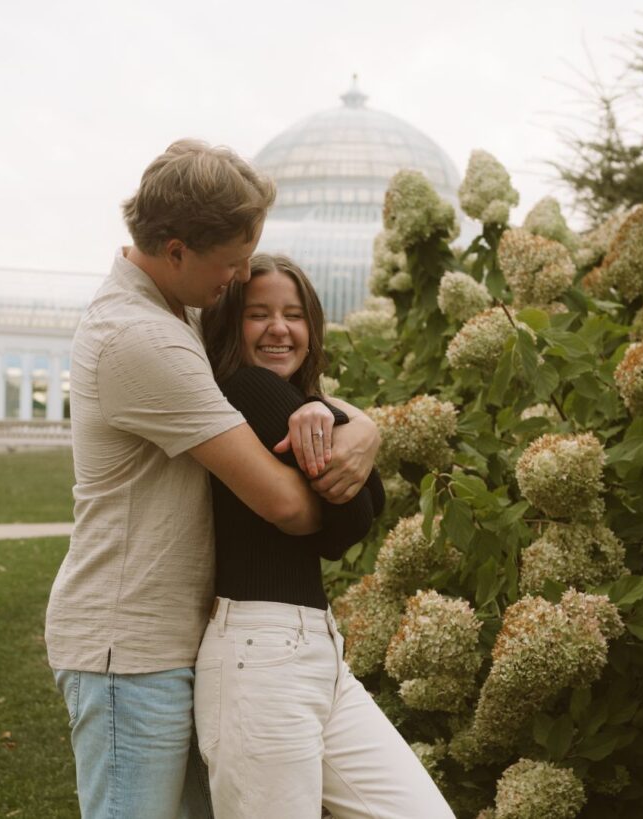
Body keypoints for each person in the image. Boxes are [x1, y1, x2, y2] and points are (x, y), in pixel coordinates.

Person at [44, 141, 381, 819]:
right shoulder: (144, 338)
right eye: (230, 264)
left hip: (183, 640)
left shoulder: (178, 310)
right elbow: (286, 502)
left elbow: (271, 374)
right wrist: (351, 501)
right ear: (175, 250)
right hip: (130, 650)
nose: (240, 276)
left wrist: (365, 425)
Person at [195, 254, 454, 819]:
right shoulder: (246, 388)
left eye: (294, 314)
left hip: (315, 651)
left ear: (312, 328)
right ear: (229, 324)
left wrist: (350, 421)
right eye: (257, 314)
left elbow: (362, 504)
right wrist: (350, 427)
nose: (278, 328)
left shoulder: (296, 404)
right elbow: (354, 520)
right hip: (259, 655)